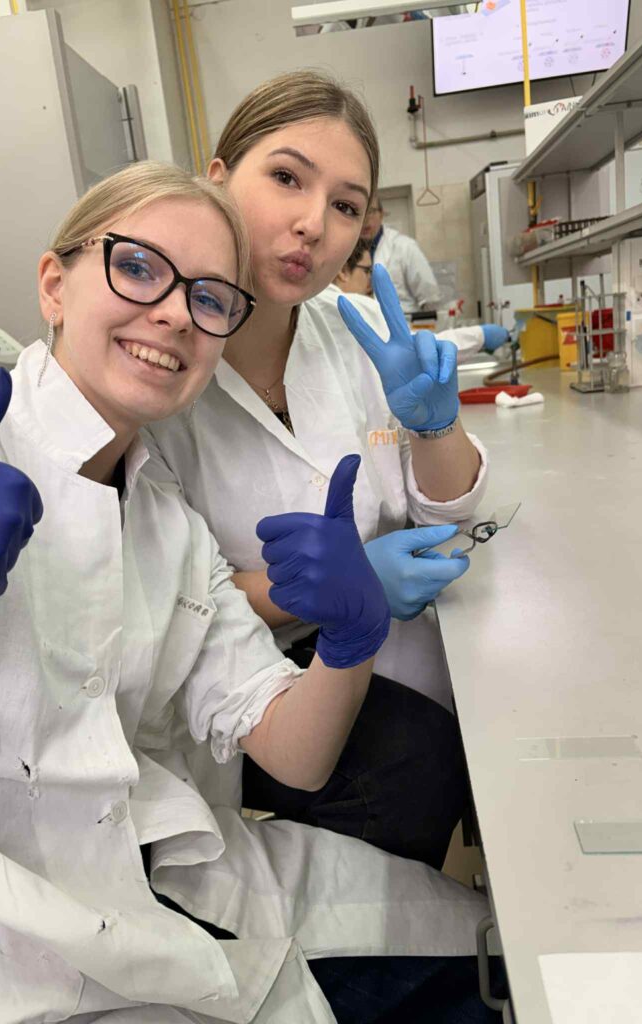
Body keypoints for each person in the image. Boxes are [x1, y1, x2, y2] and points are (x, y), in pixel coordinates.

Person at [0, 161, 500, 1023]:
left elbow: (294, 754)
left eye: (210, 298)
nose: (174, 315)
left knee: (486, 949)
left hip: (146, 876)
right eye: (138, 267)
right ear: (54, 285)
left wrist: (352, 636)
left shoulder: (168, 525)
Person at [146, 71, 488, 873]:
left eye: (344, 205)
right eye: (286, 178)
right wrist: (324, 589)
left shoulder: (361, 330)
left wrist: (435, 423)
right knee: (409, 769)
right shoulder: (163, 360)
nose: (312, 225)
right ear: (218, 180)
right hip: (244, 674)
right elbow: (162, 596)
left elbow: (450, 511)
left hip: (388, 647)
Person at [361, 199, 511, 356]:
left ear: (382, 214)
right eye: (360, 212)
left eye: (370, 212)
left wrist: (431, 325)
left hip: (405, 331)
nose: (365, 220)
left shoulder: (405, 247)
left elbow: (430, 297)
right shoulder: (349, 251)